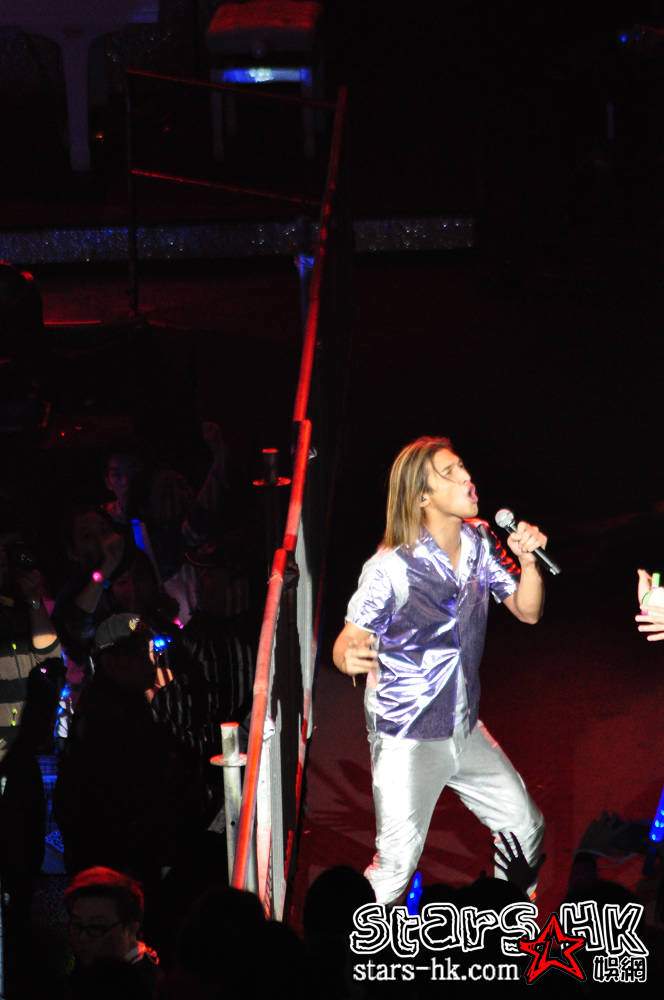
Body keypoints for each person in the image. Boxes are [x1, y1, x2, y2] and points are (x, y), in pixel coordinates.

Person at [332, 435, 546, 905]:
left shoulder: (480, 540)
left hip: (463, 726)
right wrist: (348, 655)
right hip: (407, 735)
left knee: (524, 825)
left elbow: (528, 611)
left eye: (463, 466)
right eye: (450, 473)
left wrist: (528, 562)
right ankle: (344, 943)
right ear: (422, 497)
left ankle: (505, 923)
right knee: (396, 866)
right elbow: (348, 639)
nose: (467, 477)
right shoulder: (391, 567)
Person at [63, 866, 160, 996]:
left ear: (131, 929)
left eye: (96, 927)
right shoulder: (89, 972)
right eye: (77, 924)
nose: (82, 937)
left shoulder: (143, 988)